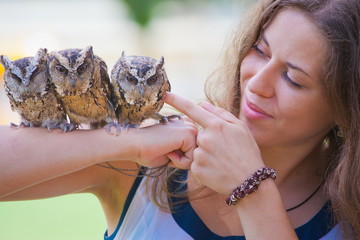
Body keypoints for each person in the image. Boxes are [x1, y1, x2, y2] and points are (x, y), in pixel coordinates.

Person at [1, 0, 359, 239]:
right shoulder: (151, 160)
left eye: (293, 79)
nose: (257, 83)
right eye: (260, 50)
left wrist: (253, 190)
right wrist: (129, 140)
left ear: (345, 106)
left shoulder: (349, 214)